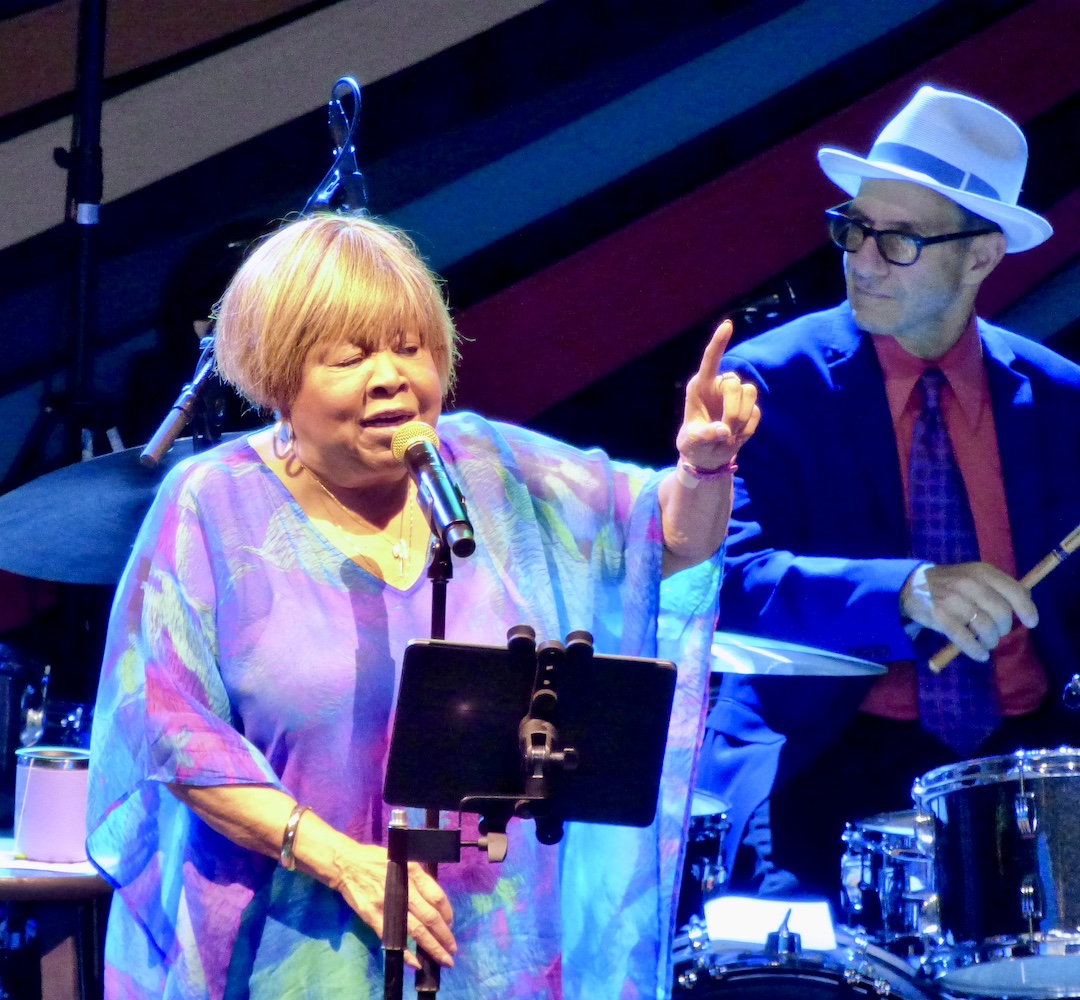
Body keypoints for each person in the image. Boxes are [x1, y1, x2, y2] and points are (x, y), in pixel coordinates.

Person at [86, 212, 760, 999]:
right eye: (350, 358)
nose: (390, 378)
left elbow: (668, 537)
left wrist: (703, 469)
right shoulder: (213, 504)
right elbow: (170, 733)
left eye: (410, 349)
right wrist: (345, 864)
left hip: (488, 954)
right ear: (278, 378)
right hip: (290, 946)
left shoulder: (493, 472)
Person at [697, 85, 1080, 900]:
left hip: (1031, 763)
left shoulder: (1061, 399)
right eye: (855, 228)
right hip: (826, 762)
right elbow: (730, 581)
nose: (863, 260)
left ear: (980, 257)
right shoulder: (771, 380)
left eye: (899, 239)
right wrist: (906, 591)